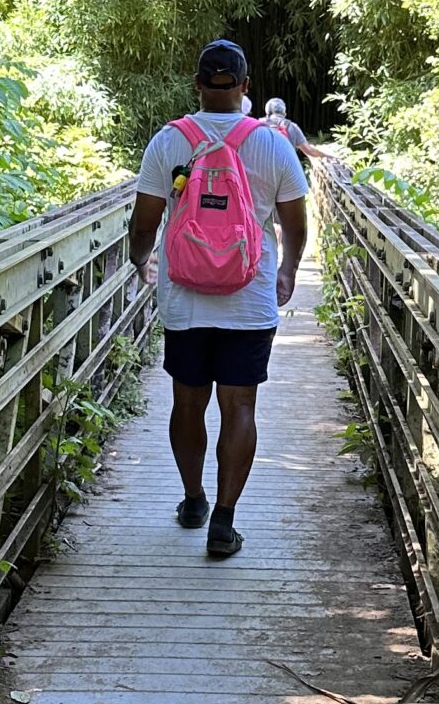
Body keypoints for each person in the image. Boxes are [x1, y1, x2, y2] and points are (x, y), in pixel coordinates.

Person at [127, 40, 308, 560]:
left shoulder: (168, 142)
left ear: (198, 84)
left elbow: (144, 222)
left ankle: (192, 500)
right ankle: (224, 524)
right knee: (240, 405)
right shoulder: (272, 144)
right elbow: (295, 223)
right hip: (249, 298)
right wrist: (289, 269)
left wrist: (143, 261)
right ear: (246, 87)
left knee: (188, 402)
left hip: (184, 298)